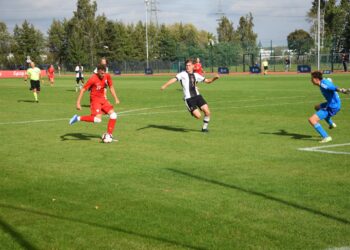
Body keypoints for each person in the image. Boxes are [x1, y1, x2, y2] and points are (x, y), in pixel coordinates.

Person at [160, 59, 219, 132]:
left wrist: (214, 78)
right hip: (189, 99)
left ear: (193, 66)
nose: (187, 67)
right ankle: (190, 108)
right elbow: (173, 79)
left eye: (189, 65)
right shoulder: (182, 74)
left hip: (197, 96)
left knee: (207, 112)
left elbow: (208, 81)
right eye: (186, 65)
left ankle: (204, 128)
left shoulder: (196, 75)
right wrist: (164, 86)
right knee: (198, 116)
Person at [69, 64, 120, 142]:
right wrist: (78, 103)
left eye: (104, 73)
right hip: (95, 100)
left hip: (103, 99)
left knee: (114, 115)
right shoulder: (93, 79)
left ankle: (109, 135)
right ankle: (77, 118)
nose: (103, 75)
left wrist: (116, 98)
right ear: (98, 71)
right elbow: (83, 90)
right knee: (98, 120)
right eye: (101, 73)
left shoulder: (107, 76)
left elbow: (111, 87)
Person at [308, 71, 349, 143]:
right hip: (333, 103)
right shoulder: (324, 81)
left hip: (332, 107)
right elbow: (329, 81)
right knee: (317, 107)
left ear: (316, 79)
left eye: (312, 78)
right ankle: (331, 124)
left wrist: (342, 90)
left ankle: (326, 137)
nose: (311, 80)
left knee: (312, 120)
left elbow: (332, 87)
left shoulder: (323, 85)